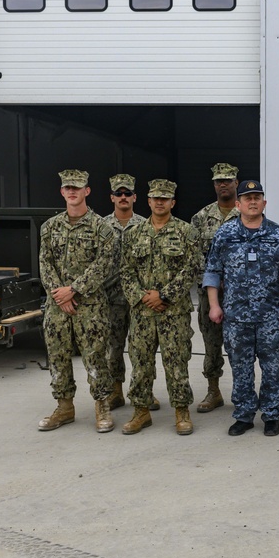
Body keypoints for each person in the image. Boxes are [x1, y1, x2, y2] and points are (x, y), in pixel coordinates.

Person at [204, 180, 279, 436]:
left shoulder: (277, 235)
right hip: (235, 315)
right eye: (247, 198)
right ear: (238, 204)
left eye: (257, 197)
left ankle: (271, 414)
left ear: (264, 203)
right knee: (240, 366)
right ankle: (243, 415)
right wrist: (214, 305)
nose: (252, 201)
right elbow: (212, 270)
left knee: (272, 366)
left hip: (271, 315)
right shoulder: (225, 234)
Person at [119, 179, 202, 436]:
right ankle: (141, 412)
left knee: (176, 363)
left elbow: (193, 268)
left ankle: (181, 411)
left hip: (173, 312)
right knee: (140, 363)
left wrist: (164, 295)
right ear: (148, 201)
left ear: (172, 202)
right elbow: (125, 270)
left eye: (164, 198)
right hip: (142, 313)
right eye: (155, 198)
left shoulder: (187, 232)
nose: (159, 202)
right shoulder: (133, 233)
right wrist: (143, 297)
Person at [37, 169, 117, 433]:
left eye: (77, 187)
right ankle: (64, 407)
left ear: (87, 191)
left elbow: (104, 265)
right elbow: (45, 263)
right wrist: (58, 295)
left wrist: (74, 290)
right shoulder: (49, 227)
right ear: (62, 192)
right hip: (57, 305)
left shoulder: (102, 228)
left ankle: (102, 406)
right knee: (58, 356)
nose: (72, 191)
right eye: (68, 187)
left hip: (90, 306)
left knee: (96, 357)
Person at [190, 162, 240, 415]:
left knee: (242, 344)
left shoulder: (246, 214)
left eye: (228, 180)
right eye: (219, 181)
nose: (223, 184)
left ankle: (244, 391)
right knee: (211, 344)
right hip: (209, 295)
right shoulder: (200, 218)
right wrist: (212, 279)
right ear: (214, 185)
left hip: (240, 295)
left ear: (236, 184)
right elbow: (194, 255)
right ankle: (214, 391)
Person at [103, 173, 152, 411]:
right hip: (111, 298)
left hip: (139, 299)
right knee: (113, 348)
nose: (123, 198)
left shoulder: (145, 226)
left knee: (142, 348)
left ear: (135, 197)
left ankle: (145, 392)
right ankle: (116, 391)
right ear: (112, 197)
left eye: (127, 194)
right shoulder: (101, 226)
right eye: (119, 194)